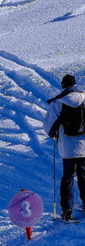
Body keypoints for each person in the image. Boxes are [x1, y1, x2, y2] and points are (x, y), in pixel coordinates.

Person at [49, 73, 85, 220]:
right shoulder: (84, 98)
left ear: (63, 86)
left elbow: (49, 128)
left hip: (67, 148)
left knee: (68, 177)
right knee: (83, 175)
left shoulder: (58, 102)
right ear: (75, 84)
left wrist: (54, 134)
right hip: (83, 146)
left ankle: (67, 210)